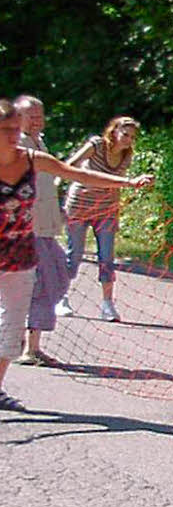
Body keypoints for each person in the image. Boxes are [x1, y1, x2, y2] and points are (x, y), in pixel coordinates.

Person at [0, 99, 153, 411]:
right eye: (7, 130)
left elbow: (78, 175)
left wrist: (128, 182)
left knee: (12, 326)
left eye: (17, 129)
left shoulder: (32, 158)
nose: (14, 135)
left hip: (20, 257)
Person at [55, 115, 143, 322]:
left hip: (106, 209)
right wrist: (58, 181)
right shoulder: (96, 145)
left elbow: (115, 181)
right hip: (80, 206)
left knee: (106, 258)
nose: (128, 139)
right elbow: (72, 163)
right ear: (114, 131)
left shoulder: (127, 155)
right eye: (125, 134)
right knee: (74, 255)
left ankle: (107, 304)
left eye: (132, 136)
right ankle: (61, 297)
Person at [11, 96, 68, 367]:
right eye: (30, 115)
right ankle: (29, 348)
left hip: (44, 228)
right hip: (27, 230)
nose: (37, 120)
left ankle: (25, 343)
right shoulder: (16, 145)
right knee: (43, 284)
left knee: (57, 276)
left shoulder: (38, 142)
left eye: (40, 114)